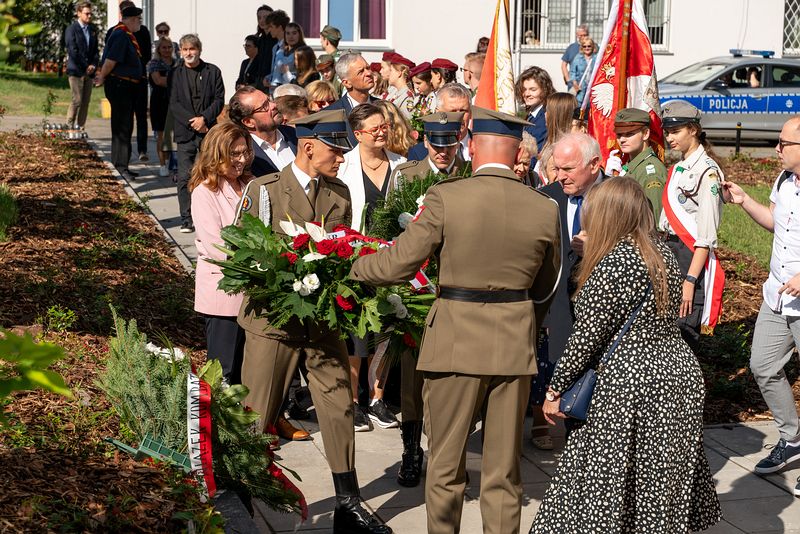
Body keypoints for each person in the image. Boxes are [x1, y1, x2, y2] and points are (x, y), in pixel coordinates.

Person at [350, 106, 561, 534]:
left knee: (446, 466)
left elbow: (398, 265)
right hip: (513, 346)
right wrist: (523, 321)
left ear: (475, 145)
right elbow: (546, 287)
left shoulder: (449, 196)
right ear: (516, 149)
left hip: (455, 343)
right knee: (504, 472)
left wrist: (353, 266)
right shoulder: (543, 207)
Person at [530, 176, 722, 533]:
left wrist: (555, 388)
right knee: (656, 483)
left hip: (629, 384)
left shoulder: (613, 263)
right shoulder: (661, 252)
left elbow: (587, 336)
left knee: (602, 480)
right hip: (677, 375)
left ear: (605, 215)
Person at [236, 109, 392, 534]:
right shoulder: (264, 190)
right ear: (308, 147)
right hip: (274, 322)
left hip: (321, 322)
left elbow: (342, 248)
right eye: (336, 151)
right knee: (256, 413)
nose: (343, 158)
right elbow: (240, 255)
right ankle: (236, 499)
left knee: (340, 405)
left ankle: (348, 503)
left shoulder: (337, 192)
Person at [721, 118, 800, 487]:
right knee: (763, 365)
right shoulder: (784, 181)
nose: (777, 149)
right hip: (776, 297)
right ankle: (792, 437)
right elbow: (776, 223)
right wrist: (744, 201)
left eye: (783, 143)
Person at [335, 104, 406, 433]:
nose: (382, 132)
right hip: (356, 258)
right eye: (374, 128)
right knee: (356, 332)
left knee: (387, 329)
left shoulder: (401, 166)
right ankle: (353, 401)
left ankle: (377, 398)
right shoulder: (344, 165)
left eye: (385, 126)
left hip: (394, 259)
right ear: (358, 133)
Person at [535, 133, 605, 448]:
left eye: (568, 169)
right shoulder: (546, 196)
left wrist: (602, 247)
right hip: (559, 310)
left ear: (594, 164)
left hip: (603, 315)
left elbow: (645, 250)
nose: (560, 176)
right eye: (557, 168)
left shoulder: (621, 195)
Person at [189, 122, 254, 386]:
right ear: (216, 154)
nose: (241, 160)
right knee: (222, 372)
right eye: (234, 154)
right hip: (224, 292)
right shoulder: (205, 192)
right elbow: (217, 245)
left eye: (245, 152)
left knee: (244, 370)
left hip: (252, 291)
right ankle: (217, 424)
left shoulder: (251, 184)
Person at [658, 100, 725, 347]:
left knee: (682, 338)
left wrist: (690, 280)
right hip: (669, 253)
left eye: (676, 131)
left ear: (693, 130)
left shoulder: (708, 173)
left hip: (689, 258)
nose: (669, 137)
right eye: (667, 132)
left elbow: (706, 237)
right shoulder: (678, 167)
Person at [170, 34, 225, 233]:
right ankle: (187, 218)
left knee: (209, 175)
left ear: (199, 50)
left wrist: (204, 119)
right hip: (185, 134)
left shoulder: (213, 71)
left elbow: (219, 99)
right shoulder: (175, 73)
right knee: (184, 177)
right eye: (184, 50)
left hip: (208, 131)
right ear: (180, 52)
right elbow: (174, 103)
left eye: (191, 49)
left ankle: (209, 217)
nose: (188, 53)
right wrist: (194, 122)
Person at [94, 3, 143, 181]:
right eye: (138, 19)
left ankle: (123, 165)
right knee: (122, 127)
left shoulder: (127, 35)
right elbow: (110, 61)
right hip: (120, 86)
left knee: (126, 126)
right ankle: (120, 167)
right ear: (130, 19)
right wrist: (102, 76)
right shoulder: (121, 35)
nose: (140, 22)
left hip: (127, 86)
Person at [604, 108, 666, 220]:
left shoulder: (651, 173)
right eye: (619, 134)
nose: (622, 139)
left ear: (646, 134)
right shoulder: (631, 165)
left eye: (629, 134)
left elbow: (655, 223)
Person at [228, 86, 297, 178]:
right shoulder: (245, 155)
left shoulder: (295, 135)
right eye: (265, 106)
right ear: (249, 122)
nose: (273, 106)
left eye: (270, 100)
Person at [407, 83, 473, 162]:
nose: (459, 116)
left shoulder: (485, 148)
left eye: (463, 111)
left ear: (471, 113)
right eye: (452, 111)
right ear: (438, 112)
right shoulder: (420, 153)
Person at [328, 53, 378, 146]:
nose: (368, 73)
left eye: (368, 68)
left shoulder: (385, 107)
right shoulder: (331, 115)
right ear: (347, 83)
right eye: (361, 72)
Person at [65, 1, 98, 129]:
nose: (89, 16)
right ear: (79, 13)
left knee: (85, 102)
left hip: (89, 72)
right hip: (76, 71)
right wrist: (86, 66)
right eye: (86, 13)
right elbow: (73, 51)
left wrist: (94, 65)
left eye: (90, 14)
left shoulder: (92, 30)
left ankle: (80, 128)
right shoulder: (71, 29)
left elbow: (95, 50)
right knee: (77, 100)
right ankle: (69, 127)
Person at [147, 37, 176, 177]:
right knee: (162, 135)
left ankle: (172, 161)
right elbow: (158, 81)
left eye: (169, 47)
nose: (167, 50)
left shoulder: (178, 63)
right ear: (159, 49)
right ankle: (162, 164)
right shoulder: (154, 63)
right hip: (159, 102)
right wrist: (174, 80)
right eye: (164, 47)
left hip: (175, 101)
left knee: (174, 134)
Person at [516, 66, 555, 152]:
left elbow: (535, 152)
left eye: (533, 90)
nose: (527, 94)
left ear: (545, 90)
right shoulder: (531, 114)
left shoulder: (545, 118)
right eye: (524, 89)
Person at [384, 54, 416, 119]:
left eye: (391, 70)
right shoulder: (397, 94)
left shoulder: (407, 97)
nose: (388, 74)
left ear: (399, 73)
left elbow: (409, 123)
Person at [254, 4, 277, 90]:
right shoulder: (259, 40)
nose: (262, 20)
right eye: (259, 17)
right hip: (260, 83)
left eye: (265, 17)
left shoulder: (277, 39)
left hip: (272, 82)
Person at [569, 37, 597, 105]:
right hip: (580, 89)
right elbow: (572, 72)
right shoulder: (577, 58)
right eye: (584, 46)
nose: (587, 48)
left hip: (593, 88)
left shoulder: (596, 58)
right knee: (579, 108)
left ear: (593, 46)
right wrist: (575, 84)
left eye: (589, 46)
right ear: (582, 47)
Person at [561, 24, 589, 89]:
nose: (583, 37)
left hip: (589, 84)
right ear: (577, 35)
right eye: (581, 35)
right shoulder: (571, 48)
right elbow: (563, 65)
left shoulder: (594, 47)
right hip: (574, 85)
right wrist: (568, 80)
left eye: (585, 35)